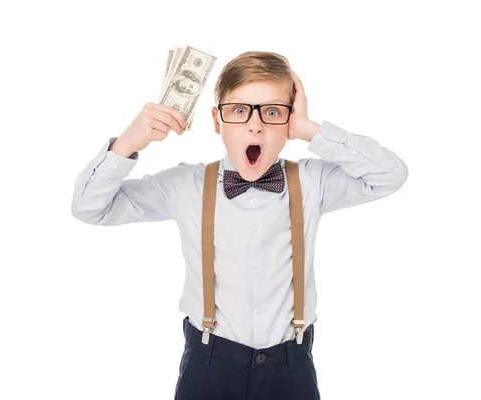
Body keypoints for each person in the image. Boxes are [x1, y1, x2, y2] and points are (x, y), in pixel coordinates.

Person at [70, 51, 408, 399]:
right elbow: (90, 208)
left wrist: (309, 130)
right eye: (240, 110)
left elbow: (389, 175)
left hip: (290, 366)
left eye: (273, 112)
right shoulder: (186, 185)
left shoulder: (312, 182)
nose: (255, 125)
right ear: (217, 122)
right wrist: (125, 145)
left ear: (288, 122)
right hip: (209, 364)